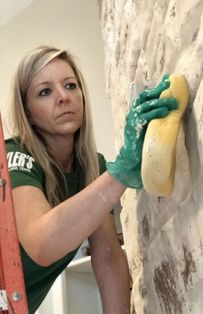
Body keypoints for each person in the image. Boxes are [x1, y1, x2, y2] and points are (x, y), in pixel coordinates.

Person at [5, 46, 178, 314]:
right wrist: (119, 173)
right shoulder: (13, 156)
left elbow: (108, 256)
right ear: (28, 113)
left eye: (70, 85)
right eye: (45, 92)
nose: (63, 97)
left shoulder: (92, 167)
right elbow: (42, 244)